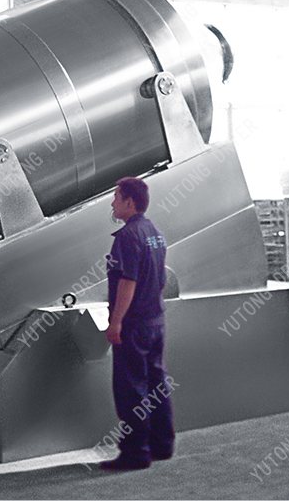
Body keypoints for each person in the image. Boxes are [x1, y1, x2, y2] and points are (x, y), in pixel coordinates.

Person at [100, 176, 175, 471]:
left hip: (134, 326)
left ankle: (135, 453)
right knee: (157, 383)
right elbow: (161, 278)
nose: (112, 203)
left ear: (129, 202)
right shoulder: (155, 233)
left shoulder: (128, 237)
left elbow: (127, 282)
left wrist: (115, 322)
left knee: (131, 389)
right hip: (156, 321)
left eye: (116, 197)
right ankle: (162, 445)